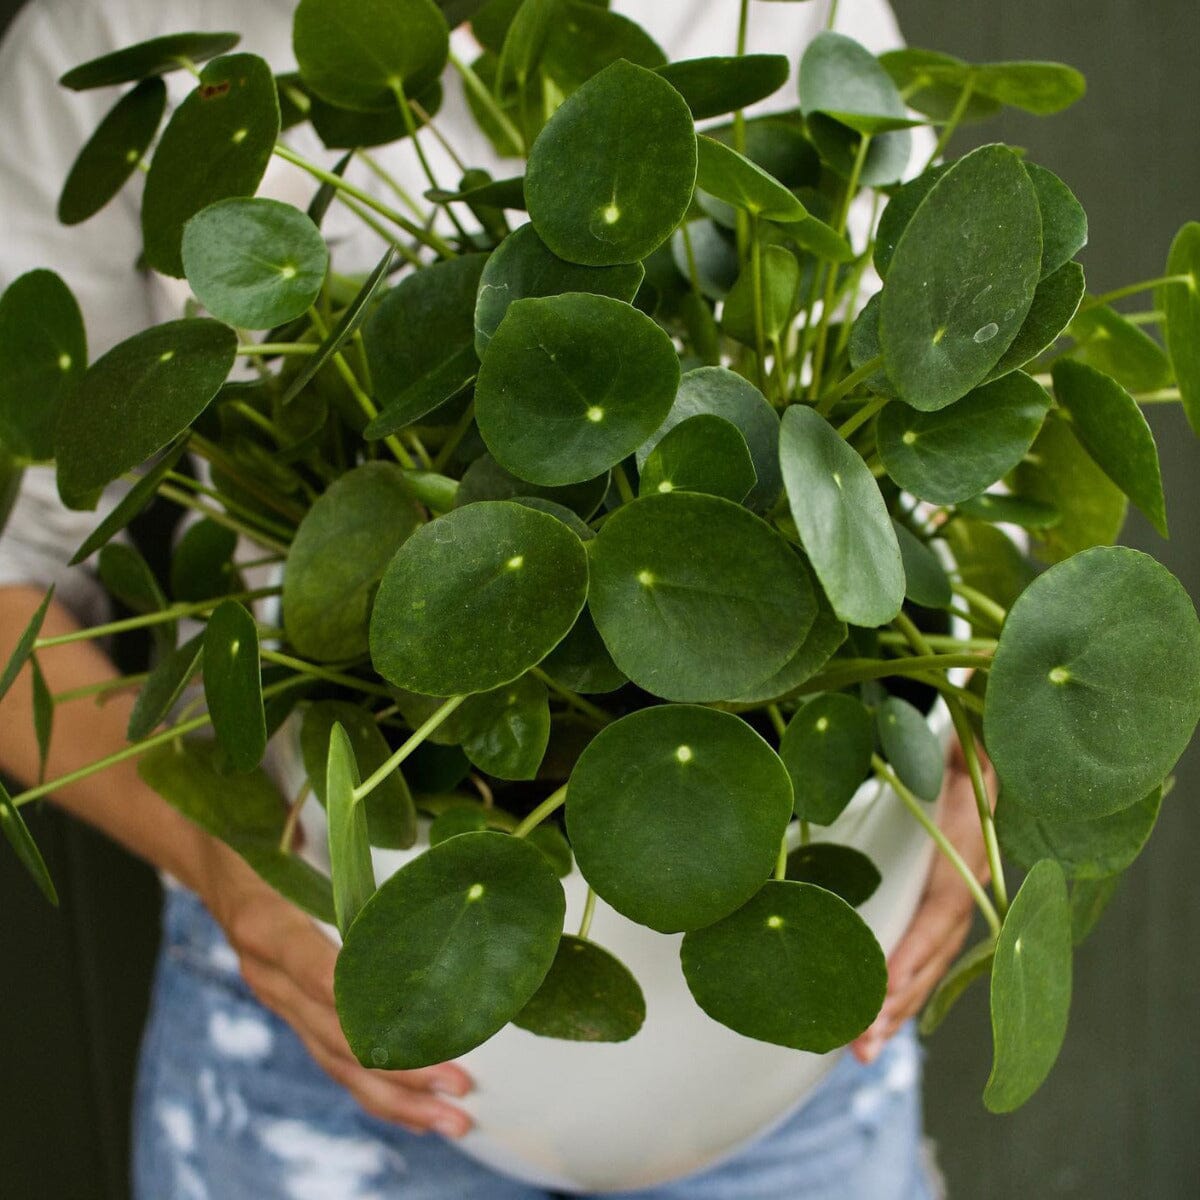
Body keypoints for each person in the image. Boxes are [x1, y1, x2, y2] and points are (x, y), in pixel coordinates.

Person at [0, 1, 993, 1196]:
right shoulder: (122, 23)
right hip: (313, 993)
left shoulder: (790, 10)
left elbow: (934, 492)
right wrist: (224, 867)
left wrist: (986, 769)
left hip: (795, 1052)